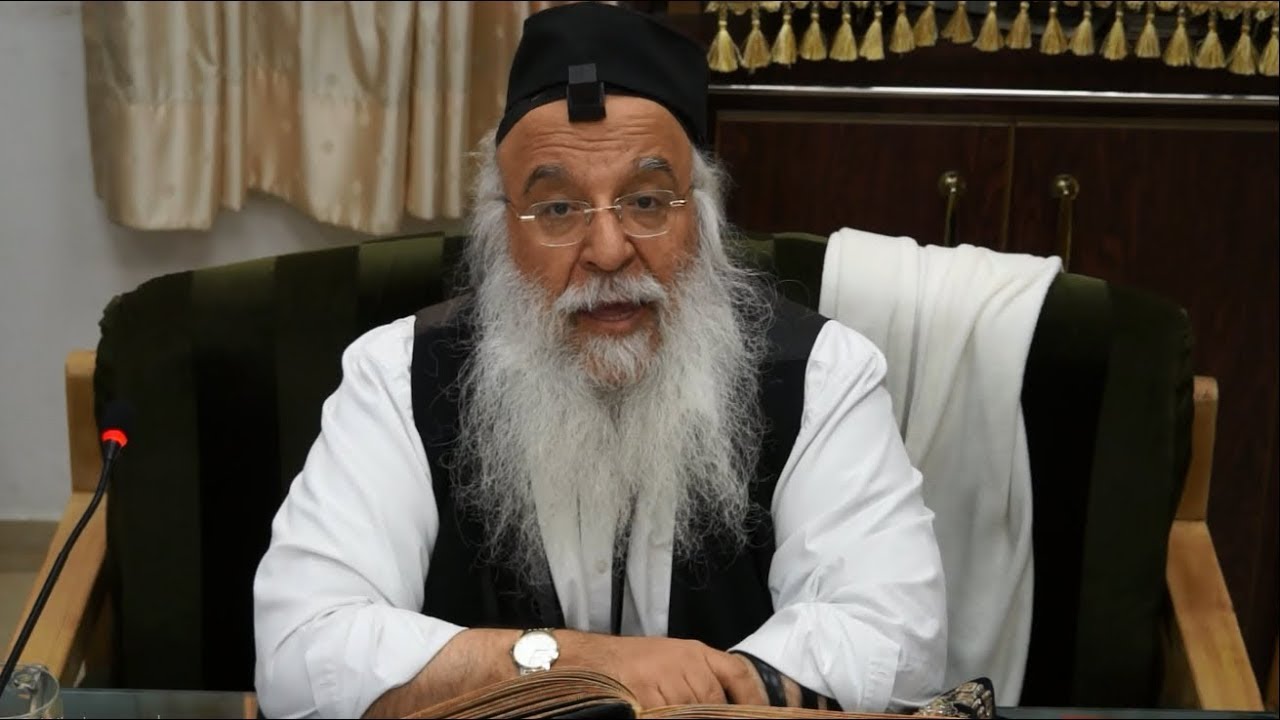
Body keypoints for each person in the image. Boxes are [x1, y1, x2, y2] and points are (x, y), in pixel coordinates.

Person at [253, 4, 946, 718]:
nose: (609, 252)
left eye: (647, 201)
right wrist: (586, 664)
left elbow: (898, 643)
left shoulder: (821, 374)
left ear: (702, 216)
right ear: (499, 229)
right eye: (557, 210)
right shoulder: (398, 375)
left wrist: (683, 695)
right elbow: (301, 656)